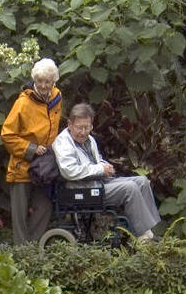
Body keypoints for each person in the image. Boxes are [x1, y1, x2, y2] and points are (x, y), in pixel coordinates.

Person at [52, 102, 160, 241]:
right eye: (80, 128)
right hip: (81, 189)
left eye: (87, 127)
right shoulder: (63, 142)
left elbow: (97, 160)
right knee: (130, 188)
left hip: (98, 182)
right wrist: (100, 169)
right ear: (70, 124)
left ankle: (149, 232)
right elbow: (69, 171)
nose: (84, 132)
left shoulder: (89, 139)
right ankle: (143, 238)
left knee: (142, 181)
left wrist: (106, 166)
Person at [1, 58, 62, 244]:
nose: (43, 85)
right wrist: (32, 149)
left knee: (44, 207)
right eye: (40, 81)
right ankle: (21, 254)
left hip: (45, 167)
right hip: (23, 165)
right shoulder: (23, 103)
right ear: (34, 80)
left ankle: (32, 248)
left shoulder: (57, 97)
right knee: (19, 214)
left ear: (54, 81)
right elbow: (7, 135)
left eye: (48, 81)